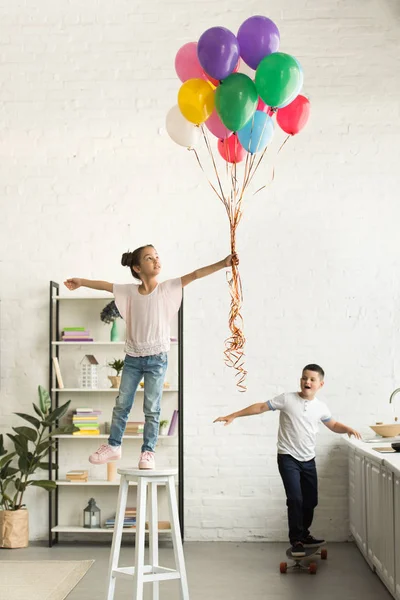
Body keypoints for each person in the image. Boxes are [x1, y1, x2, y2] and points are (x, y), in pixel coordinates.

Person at [65, 244, 237, 470]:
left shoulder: (166, 288)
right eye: (149, 258)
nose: (156, 260)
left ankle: (148, 452)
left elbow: (195, 275)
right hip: (133, 358)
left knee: (152, 408)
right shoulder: (128, 292)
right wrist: (80, 281)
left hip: (157, 358)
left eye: (157, 256)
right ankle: (114, 446)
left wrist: (223, 264)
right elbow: (105, 285)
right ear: (137, 268)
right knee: (121, 404)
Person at [214, 364, 361, 557]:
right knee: (295, 499)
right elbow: (260, 407)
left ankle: (304, 533)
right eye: (304, 378)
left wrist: (347, 428)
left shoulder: (320, 407)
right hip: (288, 457)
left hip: (308, 459)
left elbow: (332, 424)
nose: (307, 382)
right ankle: (297, 540)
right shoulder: (287, 399)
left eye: (312, 379)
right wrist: (233, 415)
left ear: (320, 384)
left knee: (311, 501)